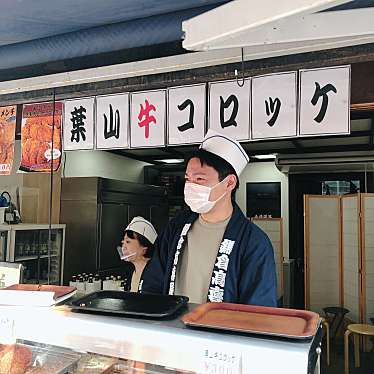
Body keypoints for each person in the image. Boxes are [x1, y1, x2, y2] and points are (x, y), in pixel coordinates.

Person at [140, 129, 277, 306]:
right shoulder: (176, 228)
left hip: (219, 333)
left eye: (199, 179)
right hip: (173, 330)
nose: (190, 186)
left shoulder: (253, 242)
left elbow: (259, 310)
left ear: (229, 183)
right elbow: (153, 283)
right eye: (188, 179)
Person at [120, 216, 157, 292]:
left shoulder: (155, 274)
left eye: (128, 242)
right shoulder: (131, 272)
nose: (123, 246)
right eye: (123, 242)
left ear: (144, 246)